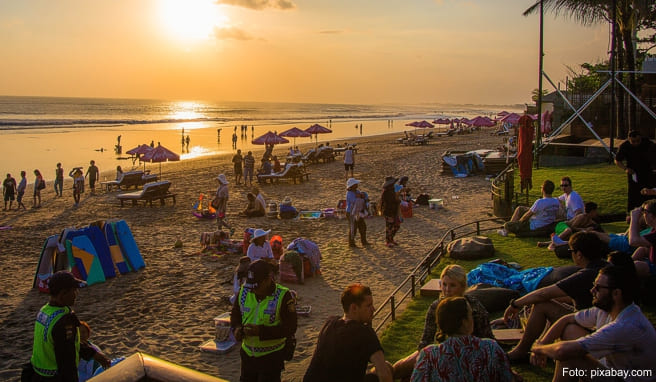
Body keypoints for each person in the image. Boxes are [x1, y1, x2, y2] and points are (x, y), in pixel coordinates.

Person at [530, 253, 656, 381]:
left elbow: (562, 351)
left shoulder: (624, 326)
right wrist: (544, 342)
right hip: (615, 370)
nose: (592, 291)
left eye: (598, 288)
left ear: (616, 293)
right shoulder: (608, 309)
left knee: (570, 355)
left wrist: (538, 348)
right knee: (570, 329)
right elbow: (567, 319)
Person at [503, 231, 607, 362]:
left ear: (579, 254)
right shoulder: (604, 268)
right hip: (595, 320)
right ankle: (537, 348)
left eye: (571, 251)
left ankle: (521, 351)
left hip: (592, 326)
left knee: (541, 305)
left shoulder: (586, 275)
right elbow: (572, 296)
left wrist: (515, 304)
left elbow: (543, 293)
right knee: (546, 303)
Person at [393, 265, 494, 380]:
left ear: (462, 287)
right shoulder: (436, 307)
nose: (447, 290)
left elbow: (487, 335)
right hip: (441, 348)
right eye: (444, 284)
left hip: (471, 349)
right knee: (400, 367)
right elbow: (426, 339)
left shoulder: (474, 307)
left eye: (452, 285)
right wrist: (422, 357)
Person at [27, 271, 110, 381]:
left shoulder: (45, 310)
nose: (76, 293)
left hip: (37, 374)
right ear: (63, 294)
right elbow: (67, 360)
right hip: (53, 377)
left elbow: (68, 343)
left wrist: (93, 354)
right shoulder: (64, 322)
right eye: (74, 290)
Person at [304, 283, 393, 382]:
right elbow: (384, 373)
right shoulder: (365, 333)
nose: (373, 309)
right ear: (354, 308)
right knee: (387, 367)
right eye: (368, 306)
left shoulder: (329, 323)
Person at [410, 297, 514, 382]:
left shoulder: (429, 355)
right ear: (464, 322)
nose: (473, 318)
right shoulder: (491, 348)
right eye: (470, 314)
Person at [231, 260, 297, 382]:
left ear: (268, 280)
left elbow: (290, 327)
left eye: (257, 286)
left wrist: (261, 331)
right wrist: (236, 329)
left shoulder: (283, 296)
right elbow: (235, 315)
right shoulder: (244, 291)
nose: (253, 290)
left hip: (271, 358)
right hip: (247, 356)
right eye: (251, 286)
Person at [628, 199, 656, 279]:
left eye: (645, 212)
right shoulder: (654, 229)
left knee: (637, 266)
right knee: (642, 249)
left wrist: (634, 219)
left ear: (653, 216)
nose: (644, 215)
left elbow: (633, 241)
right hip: (652, 263)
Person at [380, 176, 401, 247]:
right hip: (388, 211)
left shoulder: (392, 190)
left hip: (393, 210)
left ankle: (391, 239)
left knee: (396, 226)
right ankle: (388, 241)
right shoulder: (386, 192)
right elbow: (386, 202)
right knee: (389, 227)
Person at [346, 178, 364, 247]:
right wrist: (360, 197)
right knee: (353, 228)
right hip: (351, 212)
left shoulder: (356, 192)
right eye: (355, 184)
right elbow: (354, 201)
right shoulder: (349, 193)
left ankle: (363, 241)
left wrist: (361, 196)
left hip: (357, 211)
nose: (357, 185)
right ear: (352, 185)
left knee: (362, 226)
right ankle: (351, 243)